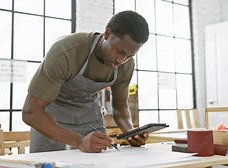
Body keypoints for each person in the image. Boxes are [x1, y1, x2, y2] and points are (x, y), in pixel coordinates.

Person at [22, 10, 149, 153]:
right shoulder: (66, 52)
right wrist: (79, 141)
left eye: (128, 56)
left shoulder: (126, 65)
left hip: (90, 120)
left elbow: (119, 106)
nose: (121, 61)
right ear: (107, 34)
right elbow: (31, 112)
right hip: (51, 119)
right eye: (120, 51)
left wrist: (131, 133)